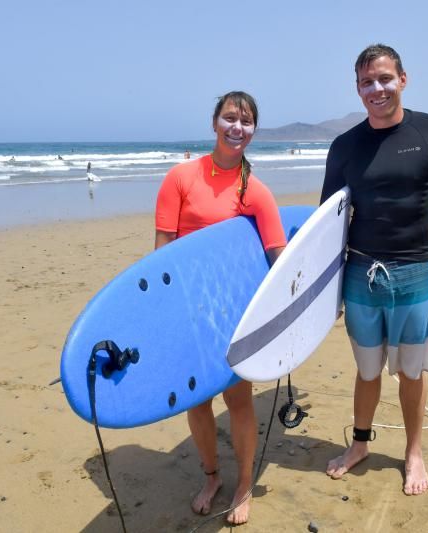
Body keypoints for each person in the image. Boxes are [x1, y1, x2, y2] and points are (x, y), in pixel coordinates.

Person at [320, 44, 428, 496]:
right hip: (361, 276)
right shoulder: (344, 146)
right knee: (366, 372)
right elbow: (328, 222)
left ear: (403, 79)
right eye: (367, 82)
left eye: (384, 78)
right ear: (358, 89)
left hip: (416, 274)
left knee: (411, 373)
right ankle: (360, 444)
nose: (377, 89)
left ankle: (413, 452)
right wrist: (324, 294)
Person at [155, 91, 286, 525]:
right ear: (214, 123)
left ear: (253, 131)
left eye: (246, 121)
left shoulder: (256, 191)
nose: (237, 127)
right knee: (197, 401)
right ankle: (211, 476)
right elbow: (162, 254)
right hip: (191, 310)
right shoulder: (180, 178)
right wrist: (166, 312)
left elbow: (278, 261)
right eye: (230, 117)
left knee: (239, 400)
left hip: (232, 311)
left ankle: (244, 482)